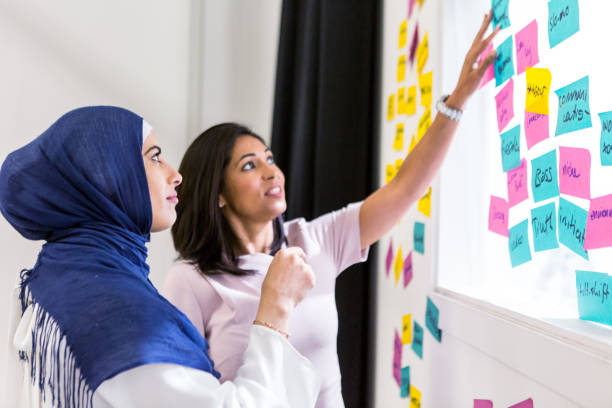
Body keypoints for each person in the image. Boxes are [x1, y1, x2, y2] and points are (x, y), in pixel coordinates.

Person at [163, 11, 500, 408]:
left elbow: (406, 188)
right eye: (250, 165)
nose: (272, 171)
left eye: (270, 158)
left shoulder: (317, 240)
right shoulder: (191, 281)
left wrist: (457, 100)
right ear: (216, 193)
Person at [1, 106, 321, 408]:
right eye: (154, 158)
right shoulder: (121, 315)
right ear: (110, 176)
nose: (176, 174)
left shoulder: (52, 280)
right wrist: (275, 308)